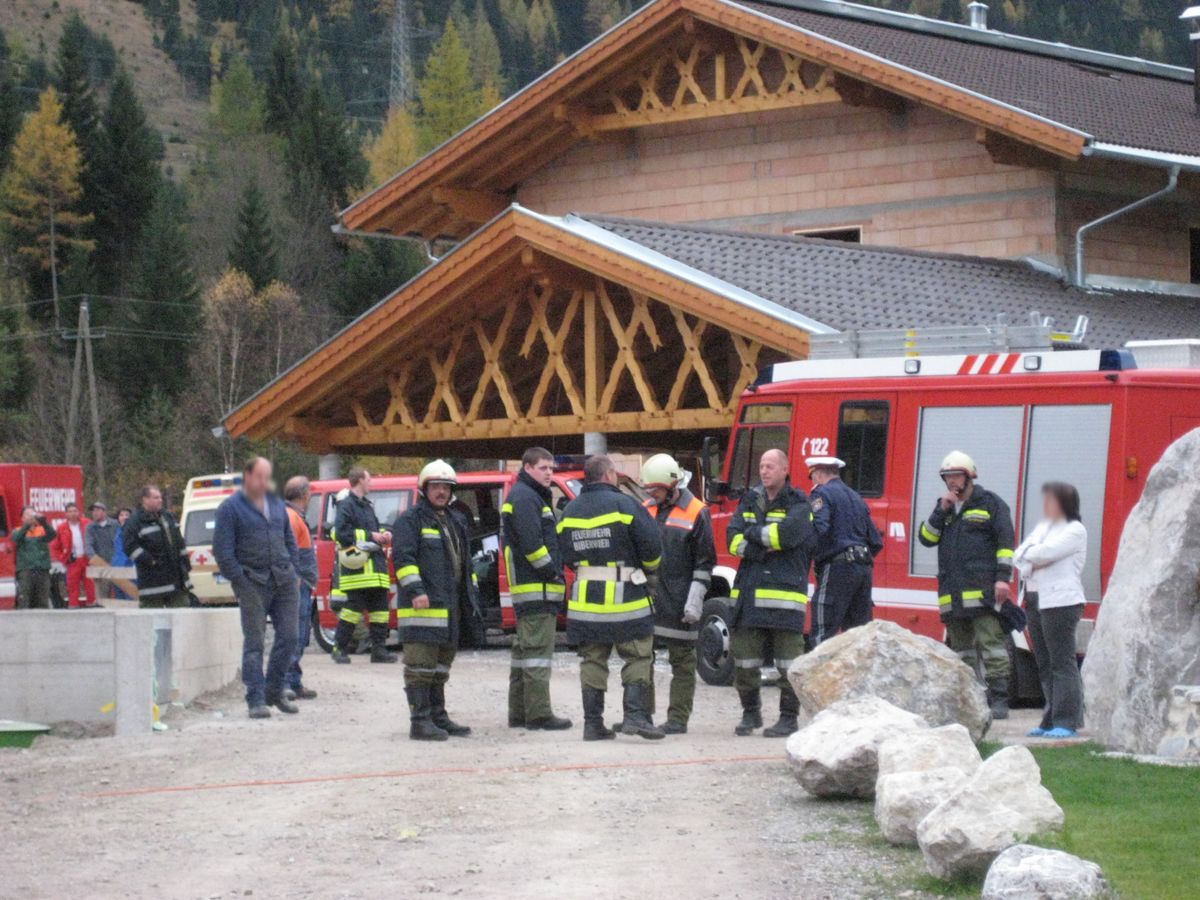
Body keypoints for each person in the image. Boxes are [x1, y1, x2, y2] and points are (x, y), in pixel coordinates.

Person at [558, 454, 664, 742]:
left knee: (592, 660)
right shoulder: (626, 505)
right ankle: (635, 717)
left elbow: (565, 555)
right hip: (625, 598)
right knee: (638, 655)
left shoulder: (570, 510)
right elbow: (653, 548)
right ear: (608, 475)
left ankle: (593, 724)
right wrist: (649, 571)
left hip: (585, 602)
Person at [917, 451, 1016, 719]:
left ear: (969, 476)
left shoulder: (990, 504)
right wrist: (941, 510)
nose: (951, 481)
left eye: (956, 476)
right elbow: (926, 538)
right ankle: (972, 698)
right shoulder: (944, 508)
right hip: (952, 594)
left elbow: (1006, 543)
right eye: (947, 476)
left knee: (992, 644)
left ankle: (999, 700)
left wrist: (1002, 579)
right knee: (961, 650)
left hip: (982, 591)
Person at [727, 448, 818, 737]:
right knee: (744, 660)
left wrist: (753, 535)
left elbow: (787, 536)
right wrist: (763, 543)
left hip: (785, 598)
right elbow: (731, 539)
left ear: (784, 470)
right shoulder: (750, 500)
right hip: (749, 595)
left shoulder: (800, 504)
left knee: (788, 664)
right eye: (761, 466)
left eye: (770, 466)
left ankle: (788, 719)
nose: (764, 471)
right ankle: (750, 714)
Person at [393, 460, 482, 741]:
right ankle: (419, 721)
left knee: (441, 665)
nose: (441, 491)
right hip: (422, 605)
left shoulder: (454, 520)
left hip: (449, 605)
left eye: (446, 487)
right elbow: (403, 559)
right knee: (420, 665)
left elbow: (464, 564)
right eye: (436, 486)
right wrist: (416, 590)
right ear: (424, 488)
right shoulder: (411, 520)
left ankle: (437, 717)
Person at [213, 458, 301, 719]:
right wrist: (240, 580)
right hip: (252, 582)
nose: (264, 482)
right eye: (259, 477)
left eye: (267, 477)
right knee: (254, 642)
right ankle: (256, 697)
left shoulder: (276, 504)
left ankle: (275, 689)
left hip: (284, 580)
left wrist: (294, 569)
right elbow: (222, 551)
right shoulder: (230, 508)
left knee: (290, 637)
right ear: (247, 477)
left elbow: (289, 539)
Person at [640, 453, 715, 735]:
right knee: (642, 658)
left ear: (672, 485)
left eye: (656, 490)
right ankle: (642, 715)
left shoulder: (697, 511)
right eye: (649, 490)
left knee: (682, 662)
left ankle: (678, 719)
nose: (652, 495)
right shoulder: (645, 508)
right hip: (648, 599)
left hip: (681, 601)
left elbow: (705, 562)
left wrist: (695, 600)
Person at [501, 446, 572, 731]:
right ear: (527, 467)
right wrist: (553, 573)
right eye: (544, 468)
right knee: (538, 654)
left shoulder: (525, 495)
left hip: (531, 590)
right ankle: (539, 714)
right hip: (537, 589)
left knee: (524, 654)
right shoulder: (526, 497)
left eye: (551, 469)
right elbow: (533, 545)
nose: (549, 473)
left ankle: (519, 712)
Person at [1014, 482, 1087, 739]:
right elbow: (1018, 556)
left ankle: (1067, 721)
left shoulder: (1075, 530)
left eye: (1051, 500)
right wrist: (1031, 556)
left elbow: (1047, 553)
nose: (1046, 505)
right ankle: (1050, 718)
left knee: (1061, 662)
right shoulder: (1043, 528)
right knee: (1044, 664)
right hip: (1034, 599)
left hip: (1061, 602)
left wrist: (1031, 556)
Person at [806, 456, 883, 645]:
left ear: (819, 473)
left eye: (813, 476)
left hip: (837, 569)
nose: (813, 481)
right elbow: (875, 541)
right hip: (863, 570)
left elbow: (819, 528)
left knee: (823, 635)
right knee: (859, 639)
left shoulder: (821, 494)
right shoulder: (857, 498)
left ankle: (819, 674)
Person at [330, 467, 396, 664]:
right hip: (358, 571)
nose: (372, 483)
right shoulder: (347, 505)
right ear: (359, 480)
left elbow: (372, 530)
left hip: (376, 570)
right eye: (369, 479)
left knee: (380, 611)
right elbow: (341, 533)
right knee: (352, 611)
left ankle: (379, 651)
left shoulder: (366, 505)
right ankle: (339, 648)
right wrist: (370, 536)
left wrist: (384, 534)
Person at [124, 485, 192, 608]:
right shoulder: (135, 522)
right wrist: (151, 561)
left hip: (176, 580)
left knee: (181, 616)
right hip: (152, 584)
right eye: (156, 497)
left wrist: (185, 563)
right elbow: (130, 547)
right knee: (154, 621)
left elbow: (179, 542)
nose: (160, 500)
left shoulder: (167, 517)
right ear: (145, 499)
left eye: (160, 497)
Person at [284, 476, 319, 701]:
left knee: (300, 634)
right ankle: (285, 682)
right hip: (296, 586)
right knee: (294, 635)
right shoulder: (290, 517)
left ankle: (294, 681)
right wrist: (295, 577)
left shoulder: (293, 516)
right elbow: (284, 549)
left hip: (300, 584)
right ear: (305, 495)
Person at [53, 502, 96, 608]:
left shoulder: (87, 523)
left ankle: (92, 605)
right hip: (73, 561)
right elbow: (55, 547)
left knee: (90, 584)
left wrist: (94, 556)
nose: (73, 514)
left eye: (75, 511)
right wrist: (64, 559)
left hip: (87, 559)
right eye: (70, 511)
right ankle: (73, 606)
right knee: (72, 586)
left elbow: (96, 540)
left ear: (79, 512)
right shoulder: (61, 528)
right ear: (66, 514)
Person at [13, 506, 54, 609]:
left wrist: (44, 522)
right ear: (22, 518)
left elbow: (52, 535)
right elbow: (16, 539)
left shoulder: (42, 530)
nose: (31, 517)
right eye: (28, 514)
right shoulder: (18, 531)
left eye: (33, 514)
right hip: (26, 571)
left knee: (42, 601)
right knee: (24, 600)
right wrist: (27, 525)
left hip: (42, 570)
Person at [85, 502, 117, 601]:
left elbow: (121, 542)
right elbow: (88, 545)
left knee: (120, 593)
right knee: (102, 597)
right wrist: (96, 561)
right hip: (100, 564)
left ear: (104, 512)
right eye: (93, 511)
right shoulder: (90, 527)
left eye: (97, 510)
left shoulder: (115, 524)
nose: (94, 513)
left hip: (116, 563)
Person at [110, 507, 134, 600]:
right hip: (116, 569)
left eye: (127, 515)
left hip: (129, 569)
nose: (124, 517)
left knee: (130, 597)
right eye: (122, 515)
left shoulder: (134, 532)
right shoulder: (116, 531)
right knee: (119, 598)